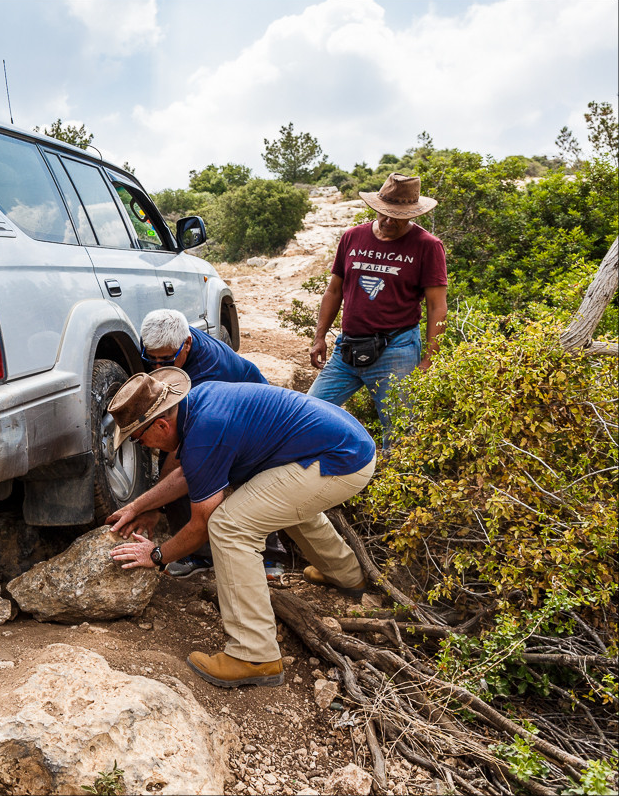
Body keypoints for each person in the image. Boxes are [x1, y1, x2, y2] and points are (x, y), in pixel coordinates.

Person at [105, 368, 376, 688]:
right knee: (278, 507)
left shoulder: (205, 430)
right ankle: (347, 575)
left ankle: (254, 654)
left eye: (139, 438)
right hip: (346, 443)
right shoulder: (197, 407)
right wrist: (140, 505)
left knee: (230, 526)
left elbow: (203, 524)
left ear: (162, 425)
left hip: (342, 461)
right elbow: (188, 473)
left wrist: (157, 554)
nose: (144, 446)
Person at [138, 310, 288, 581]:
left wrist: (153, 505)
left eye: (165, 360)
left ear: (186, 344)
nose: (158, 369)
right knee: (173, 467)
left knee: (251, 474)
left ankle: (270, 555)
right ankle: (199, 554)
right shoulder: (169, 340)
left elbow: (181, 451)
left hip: (250, 417)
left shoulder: (209, 370)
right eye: (151, 359)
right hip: (215, 414)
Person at [308, 173, 448, 442]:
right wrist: (319, 337)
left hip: (397, 350)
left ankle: (392, 481)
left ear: (412, 214)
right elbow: (334, 290)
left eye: (398, 216)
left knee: (399, 432)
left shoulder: (428, 246)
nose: (388, 221)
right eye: (383, 213)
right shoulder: (352, 237)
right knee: (307, 411)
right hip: (346, 348)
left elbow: (436, 306)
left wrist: (430, 358)